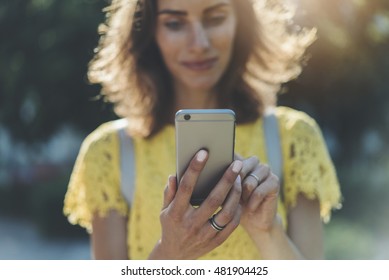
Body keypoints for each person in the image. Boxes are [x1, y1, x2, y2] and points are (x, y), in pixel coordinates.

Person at [63, 0, 342, 259]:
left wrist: (268, 232)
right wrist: (170, 254)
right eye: (175, 23)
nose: (199, 43)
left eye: (215, 18)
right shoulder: (107, 153)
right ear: (149, 32)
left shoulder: (294, 138)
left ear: (239, 23)